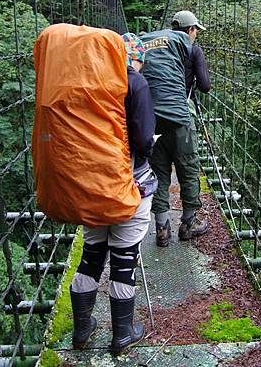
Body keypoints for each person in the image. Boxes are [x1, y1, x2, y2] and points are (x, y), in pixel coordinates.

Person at [69, 33, 157, 356]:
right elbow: (145, 140)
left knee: (91, 255)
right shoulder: (136, 84)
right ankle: (122, 335)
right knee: (123, 259)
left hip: (91, 188)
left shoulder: (89, 81)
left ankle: (81, 330)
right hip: (127, 187)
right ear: (137, 58)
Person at [140, 10, 210, 247]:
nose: (196, 35)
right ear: (190, 30)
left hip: (152, 121)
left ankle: (161, 229)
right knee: (188, 170)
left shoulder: (152, 47)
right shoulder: (193, 50)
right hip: (180, 121)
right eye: (196, 31)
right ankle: (188, 225)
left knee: (158, 172)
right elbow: (206, 86)